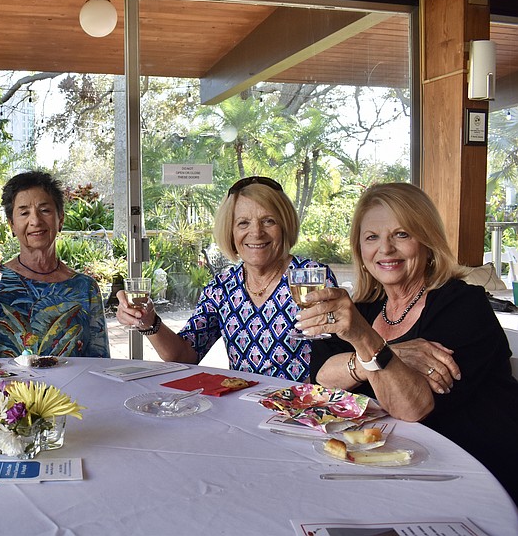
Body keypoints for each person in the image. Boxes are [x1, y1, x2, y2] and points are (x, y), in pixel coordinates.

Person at [304, 182, 518, 503]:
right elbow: (321, 377)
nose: (385, 249)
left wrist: (364, 339)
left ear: (427, 241)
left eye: (401, 234)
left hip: (471, 475)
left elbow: (413, 407)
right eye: (372, 237)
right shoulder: (363, 308)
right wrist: (391, 353)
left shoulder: (463, 305)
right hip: (387, 469)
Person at [116, 176, 336, 381]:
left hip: (301, 411)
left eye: (268, 221)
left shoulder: (311, 276)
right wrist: (148, 321)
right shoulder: (223, 285)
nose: (256, 232)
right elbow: (184, 355)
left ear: (285, 225)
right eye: (243, 223)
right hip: (243, 408)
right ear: (230, 231)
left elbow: (338, 357)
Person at [0, 171, 109, 358]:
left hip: (71, 387)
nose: (35, 221)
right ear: (12, 225)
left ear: (60, 219)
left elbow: (100, 362)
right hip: (7, 387)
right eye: (24, 213)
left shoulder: (85, 287)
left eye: (45, 210)